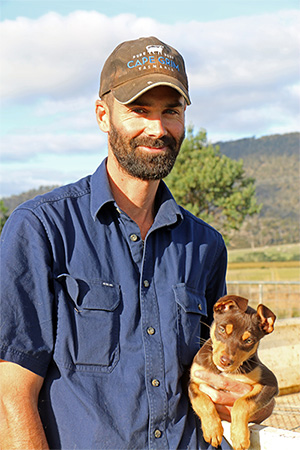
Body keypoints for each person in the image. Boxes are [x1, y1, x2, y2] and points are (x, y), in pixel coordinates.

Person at [0, 36, 273, 450]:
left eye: (171, 112)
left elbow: (224, 375)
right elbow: (11, 394)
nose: (157, 128)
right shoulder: (40, 229)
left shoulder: (206, 246)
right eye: (139, 111)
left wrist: (258, 400)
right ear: (102, 115)